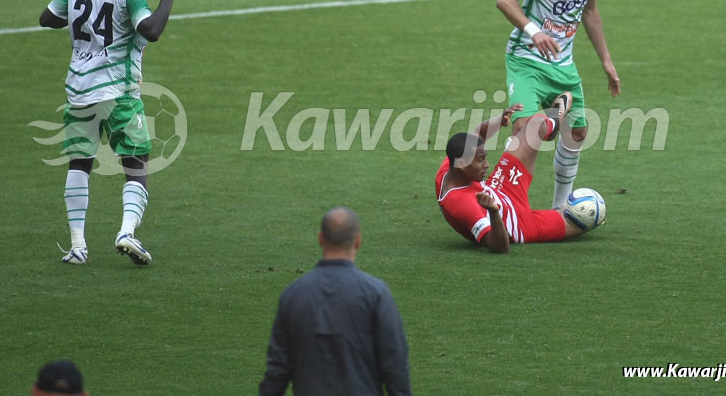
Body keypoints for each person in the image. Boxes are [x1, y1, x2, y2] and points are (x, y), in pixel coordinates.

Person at [39, 0, 185, 265]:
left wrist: (84, 20)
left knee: (79, 163)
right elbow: (151, 30)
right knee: (136, 164)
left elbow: (48, 18)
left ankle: (77, 247)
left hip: (78, 90)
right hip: (118, 93)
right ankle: (126, 232)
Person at [496, 0, 621, 210]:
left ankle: (559, 209)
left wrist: (606, 60)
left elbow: (589, 11)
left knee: (577, 132)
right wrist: (534, 31)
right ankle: (504, 204)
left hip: (562, 64)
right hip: (527, 58)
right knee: (524, 129)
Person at [259, 207, 411, 396]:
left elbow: (277, 369)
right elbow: (394, 361)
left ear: (320, 239)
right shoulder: (376, 293)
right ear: (358, 241)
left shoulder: (293, 295)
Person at [436, 92, 604, 253]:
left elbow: (478, 133)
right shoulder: (463, 205)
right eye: (481, 160)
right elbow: (500, 246)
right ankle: (565, 214)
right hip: (518, 223)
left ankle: (554, 120)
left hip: (500, 188)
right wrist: (494, 212)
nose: (487, 165)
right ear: (463, 165)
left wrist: (499, 121)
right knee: (587, 213)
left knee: (535, 125)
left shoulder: (450, 168)